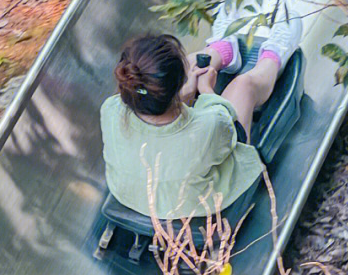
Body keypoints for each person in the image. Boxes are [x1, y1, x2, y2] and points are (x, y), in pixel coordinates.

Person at [100, 15, 303, 221]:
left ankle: (221, 49)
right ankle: (274, 55)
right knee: (243, 86)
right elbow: (226, 123)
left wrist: (182, 98)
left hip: (132, 197)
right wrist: (206, 91)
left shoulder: (110, 108)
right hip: (196, 203)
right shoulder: (209, 126)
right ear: (179, 86)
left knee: (153, 72)